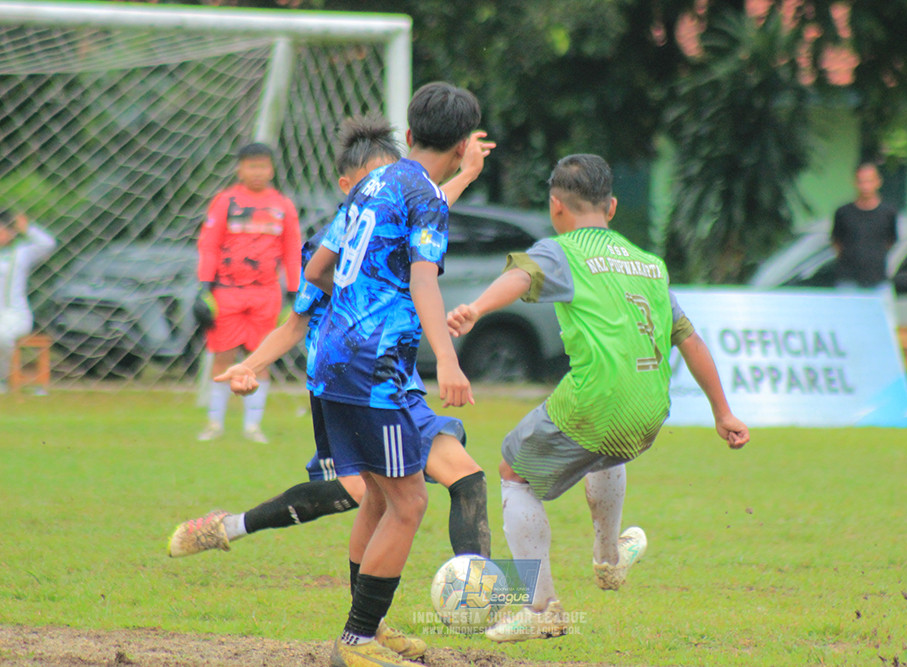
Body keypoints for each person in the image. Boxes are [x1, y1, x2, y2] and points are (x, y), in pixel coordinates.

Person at [446, 154, 750, 643]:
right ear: (610, 206)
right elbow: (688, 338)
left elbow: (520, 276)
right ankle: (609, 560)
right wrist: (724, 412)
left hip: (597, 401)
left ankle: (541, 607)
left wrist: (475, 308)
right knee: (605, 450)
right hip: (651, 410)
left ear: (555, 206)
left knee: (511, 469)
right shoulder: (650, 265)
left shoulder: (563, 250)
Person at [305, 84, 480, 667]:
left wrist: (352, 311)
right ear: (461, 147)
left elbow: (319, 267)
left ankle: (369, 629)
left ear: (408, 137)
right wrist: (448, 360)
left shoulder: (372, 182)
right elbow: (425, 280)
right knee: (409, 503)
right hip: (373, 369)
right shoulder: (425, 196)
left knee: (379, 499)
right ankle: (354, 642)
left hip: (331, 360)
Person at [195, 142, 302, 444]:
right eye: (251, 166)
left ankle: (252, 426)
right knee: (223, 355)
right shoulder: (225, 201)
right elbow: (209, 245)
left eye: (263, 166)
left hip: (266, 294)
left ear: (271, 169)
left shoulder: (283, 206)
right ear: (240, 169)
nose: (258, 172)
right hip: (227, 292)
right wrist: (204, 287)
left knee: (260, 359)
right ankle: (214, 423)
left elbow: (292, 252)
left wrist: (294, 292)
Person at [0, 211, 56, 394]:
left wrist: (27, 228)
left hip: (14, 315)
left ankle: (2, 379)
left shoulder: (21, 252)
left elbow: (48, 244)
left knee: (3, 336)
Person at [831, 162, 898, 289]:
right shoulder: (843, 212)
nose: (865, 186)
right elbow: (836, 242)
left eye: (869, 181)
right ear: (855, 183)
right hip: (848, 280)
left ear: (878, 182)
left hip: (878, 280)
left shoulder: (889, 212)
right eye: (861, 181)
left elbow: (891, 241)